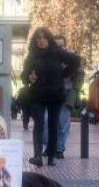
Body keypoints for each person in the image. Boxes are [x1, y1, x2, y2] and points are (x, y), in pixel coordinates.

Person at [22, 27, 79, 167]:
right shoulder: (31, 56)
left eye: (44, 38)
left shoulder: (57, 52)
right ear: (35, 41)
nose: (42, 41)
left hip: (55, 94)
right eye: (39, 38)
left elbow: (76, 60)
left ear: (49, 39)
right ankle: (37, 156)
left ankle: (51, 157)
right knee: (39, 125)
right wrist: (29, 78)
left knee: (53, 125)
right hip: (37, 95)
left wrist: (63, 74)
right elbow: (24, 76)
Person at [53, 35, 82, 159]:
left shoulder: (72, 59)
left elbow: (80, 74)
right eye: (56, 46)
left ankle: (59, 149)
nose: (59, 49)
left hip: (68, 93)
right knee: (47, 121)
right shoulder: (49, 58)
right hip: (51, 93)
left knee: (62, 122)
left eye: (61, 46)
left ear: (65, 46)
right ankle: (50, 145)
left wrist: (75, 89)